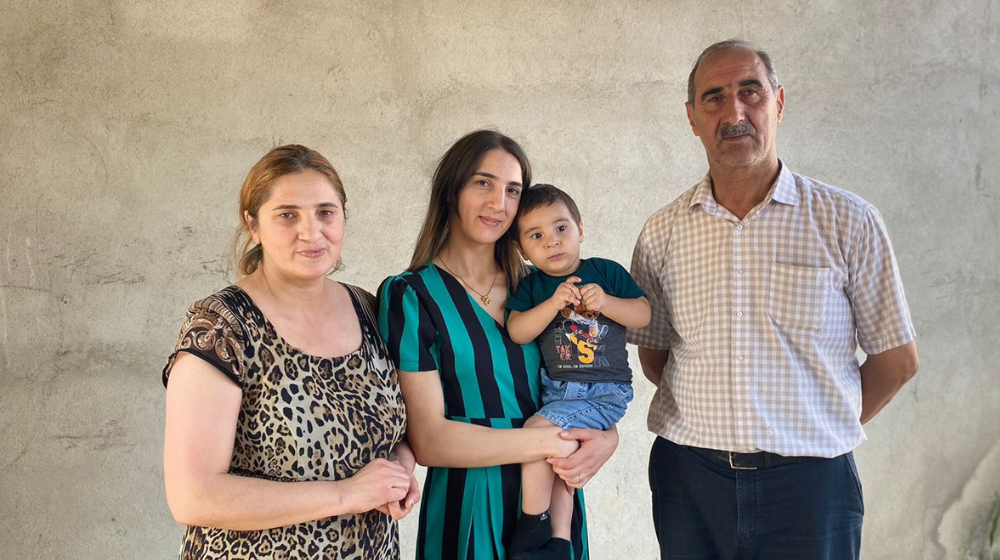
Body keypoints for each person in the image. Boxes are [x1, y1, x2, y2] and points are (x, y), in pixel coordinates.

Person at [628, 40, 919, 560]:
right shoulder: (661, 233)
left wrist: (815, 423)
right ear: (692, 118)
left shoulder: (847, 221)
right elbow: (656, 357)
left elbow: (896, 361)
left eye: (750, 92)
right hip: (689, 482)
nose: (734, 111)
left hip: (812, 488)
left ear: (778, 103)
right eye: (713, 98)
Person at [162, 144, 420, 560]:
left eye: (325, 212)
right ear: (253, 225)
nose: (311, 231)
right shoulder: (224, 326)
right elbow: (194, 496)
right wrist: (345, 495)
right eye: (287, 215)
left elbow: (398, 432)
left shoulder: (369, 308)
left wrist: (399, 474)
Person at [378, 130, 619, 560]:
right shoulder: (411, 295)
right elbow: (429, 439)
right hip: (468, 503)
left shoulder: (545, 296)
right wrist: (547, 443)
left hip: (554, 507)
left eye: (513, 190)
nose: (499, 203)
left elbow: (586, 385)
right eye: (483, 183)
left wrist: (609, 437)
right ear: (451, 189)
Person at [505, 184, 651, 559]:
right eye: (536, 236)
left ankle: (532, 521)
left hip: (604, 392)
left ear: (580, 229)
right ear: (522, 248)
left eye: (561, 229)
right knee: (560, 461)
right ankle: (560, 542)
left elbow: (644, 315)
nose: (552, 242)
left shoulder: (605, 272)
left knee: (536, 435)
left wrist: (608, 303)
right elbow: (518, 330)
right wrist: (552, 304)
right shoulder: (533, 286)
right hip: (559, 393)